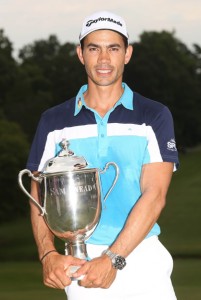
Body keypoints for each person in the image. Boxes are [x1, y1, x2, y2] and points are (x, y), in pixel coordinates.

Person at [26, 10, 179, 300]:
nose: (104, 59)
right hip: (79, 261)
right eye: (94, 48)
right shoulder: (53, 121)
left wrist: (113, 258)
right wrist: (47, 254)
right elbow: (38, 196)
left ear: (128, 54)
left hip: (141, 255)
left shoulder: (154, 115)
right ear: (80, 54)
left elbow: (155, 194)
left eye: (113, 48)